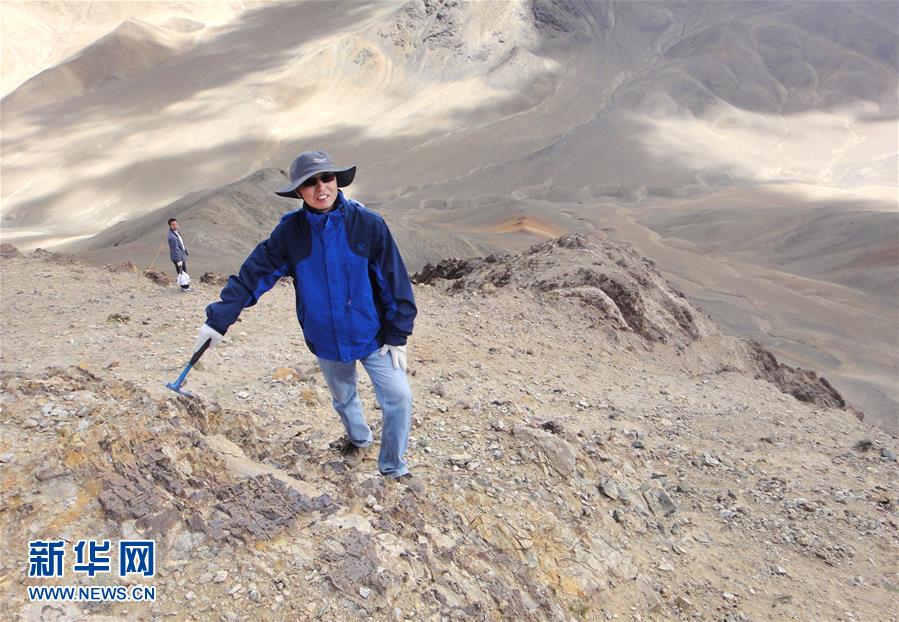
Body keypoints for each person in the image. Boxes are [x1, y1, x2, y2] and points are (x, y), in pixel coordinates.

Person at [192, 151, 420, 491]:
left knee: (399, 397)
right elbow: (254, 275)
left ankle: (392, 467)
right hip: (325, 339)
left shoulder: (368, 225)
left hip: (373, 335)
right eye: (309, 183)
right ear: (299, 191)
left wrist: (398, 334)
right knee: (344, 398)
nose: (320, 188)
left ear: (336, 181)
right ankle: (359, 440)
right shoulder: (290, 234)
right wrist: (219, 319)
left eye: (326, 178)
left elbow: (394, 279)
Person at [167, 218, 191, 292]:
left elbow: (181, 244)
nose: (175, 226)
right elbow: (175, 249)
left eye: (176, 224)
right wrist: (178, 260)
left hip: (181, 255)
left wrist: (185, 250)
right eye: (173, 224)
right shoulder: (172, 237)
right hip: (178, 257)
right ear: (170, 226)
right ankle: (184, 287)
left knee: (183, 271)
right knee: (181, 271)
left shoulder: (177, 233)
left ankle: (185, 286)